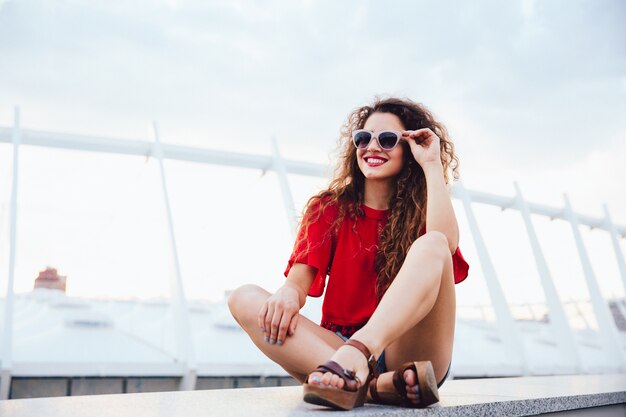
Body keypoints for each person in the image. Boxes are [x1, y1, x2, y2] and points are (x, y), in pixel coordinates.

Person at [228, 97, 469, 410]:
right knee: (243, 298)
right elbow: (298, 283)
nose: (372, 147)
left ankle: (359, 360)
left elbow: (445, 246)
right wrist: (288, 293)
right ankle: (376, 388)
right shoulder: (328, 209)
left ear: (408, 148)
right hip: (334, 352)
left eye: (387, 139)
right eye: (363, 138)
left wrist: (432, 165)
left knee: (432, 243)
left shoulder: (423, 211)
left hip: (408, 351)